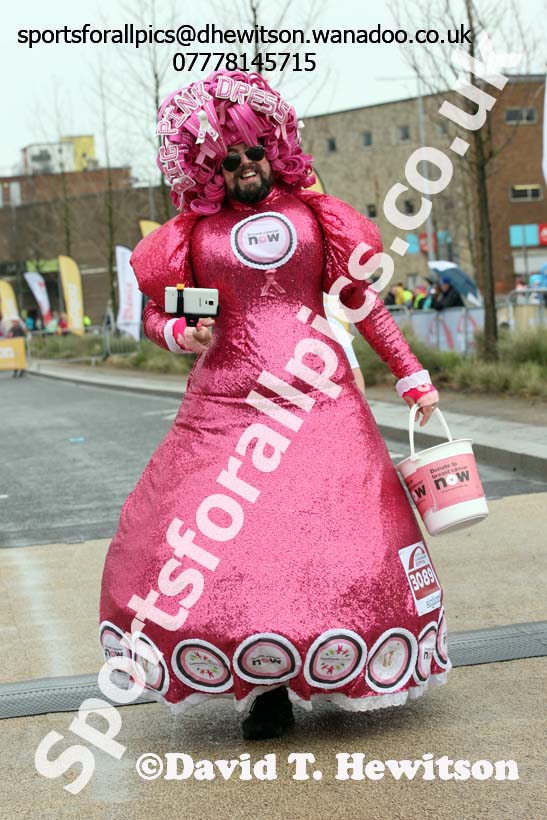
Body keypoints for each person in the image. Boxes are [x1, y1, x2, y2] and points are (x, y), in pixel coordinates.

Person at [99, 70, 447, 741]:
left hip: (323, 402)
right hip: (224, 409)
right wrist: (181, 333)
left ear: (275, 146)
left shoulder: (314, 217)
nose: (245, 169)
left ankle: (335, 665)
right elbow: (157, 315)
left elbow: (360, 302)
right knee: (233, 548)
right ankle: (263, 691)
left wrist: (410, 374)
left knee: (337, 536)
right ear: (208, 166)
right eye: (229, 161)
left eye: (254, 154)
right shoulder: (191, 237)